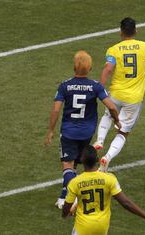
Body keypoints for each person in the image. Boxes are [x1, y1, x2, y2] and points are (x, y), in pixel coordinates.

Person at [44, 50, 120, 209]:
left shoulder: (65, 85)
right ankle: (65, 194)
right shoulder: (95, 86)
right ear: (90, 68)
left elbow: (56, 110)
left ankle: (68, 200)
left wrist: (50, 130)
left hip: (69, 132)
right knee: (76, 163)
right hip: (87, 133)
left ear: (74, 67)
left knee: (68, 165)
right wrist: (117, 120)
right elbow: (111, 106)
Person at [93, 17, 145, 172]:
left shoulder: (113, 49)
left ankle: (99, 140)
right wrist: (142, 72)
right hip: (134, 98)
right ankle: (107, 158)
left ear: (120, 32)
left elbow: (108, 69)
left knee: (108, 115)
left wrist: (99, 90)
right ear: (136, 30)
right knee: (123, 131)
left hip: (116, 93)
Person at [62, 145, 145, 235]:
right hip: (102, 228)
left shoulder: (75, 182)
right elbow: (126, 203)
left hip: (82, 228)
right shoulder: (109, 179)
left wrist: (65, 214)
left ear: (82, 160)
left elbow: (67, 206)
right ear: (97, 159)